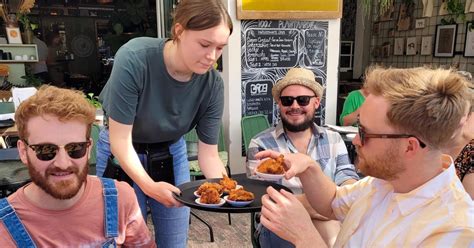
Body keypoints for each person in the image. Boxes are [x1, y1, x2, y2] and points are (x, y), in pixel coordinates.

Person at [255, 66, 474, 247]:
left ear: (410, 147)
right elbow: (333, 202)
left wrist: (305, 237)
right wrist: (309, 167)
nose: (356, 141)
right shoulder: (384, 182)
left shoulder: (453, 232)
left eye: (364, 132)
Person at [95, 0, 233, 246]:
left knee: (174, 239)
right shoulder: (135, 58)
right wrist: (149, 187)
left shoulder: (212, 84)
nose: (211, 57)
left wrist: (230, 191)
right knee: (122, 238)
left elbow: (209, 155)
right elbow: (120, 141)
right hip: (122, 152)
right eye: (204, 44)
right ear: (179, 31)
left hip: (170, 151)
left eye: (220, 48)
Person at [0, 86, 154, 247]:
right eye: (46, 150)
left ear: (88, 149)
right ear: (23, 151)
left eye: (75, 148)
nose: (62, 163)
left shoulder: (120, 199)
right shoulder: (4, 227)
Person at [247, 67, 359, 247]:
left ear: (316, 102)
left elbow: (348, 182)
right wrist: (331, 205)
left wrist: (334, 205)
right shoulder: (260, 144)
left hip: (328, 220)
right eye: (287, 100)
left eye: (303, 100)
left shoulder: (334, 139)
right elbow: (262, 198)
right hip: (278, 224)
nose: (294, 106)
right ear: (279, 104)